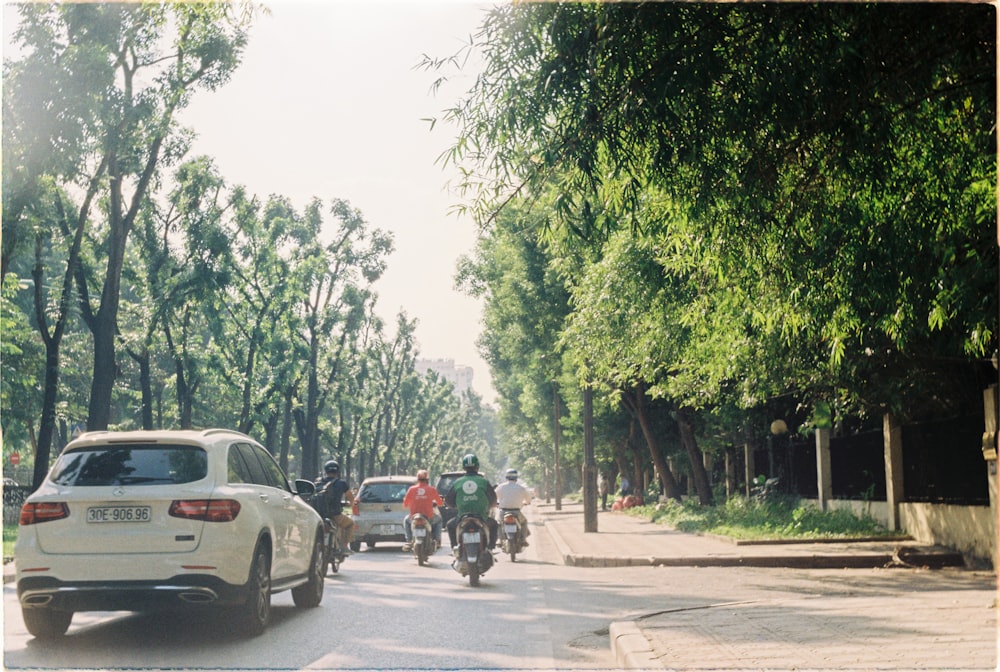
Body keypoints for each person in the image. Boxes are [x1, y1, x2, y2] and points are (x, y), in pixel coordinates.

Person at [445, 453, 498, 552]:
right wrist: (490, 506)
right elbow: (493, 500)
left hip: (462, 517)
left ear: (464, 467)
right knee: (494, 524)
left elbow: (448, 501)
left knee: (450, 525)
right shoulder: (484, 482)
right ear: (477, 467)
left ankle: (454, 548)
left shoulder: (458, 483)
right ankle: (490, 548)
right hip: (482, 517)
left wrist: (455, 506)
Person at [314, 460, 355, 552]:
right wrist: (353, 507)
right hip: (335, 515)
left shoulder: (318, 482)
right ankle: (344, 546)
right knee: (350, 524)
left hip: (319, 515)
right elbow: (351, 498)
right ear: (337, 471)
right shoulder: (342, 483)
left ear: (325, 471)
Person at [402, 469, 443, 551]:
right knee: (439, 520)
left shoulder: (411, 489)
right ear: (427, 480)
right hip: (428, 517)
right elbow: (440, 503)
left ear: (418, 479)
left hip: (414, 517)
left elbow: (405, 505)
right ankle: (437, 540)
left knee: (406, 520)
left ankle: (409, 540)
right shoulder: (431, 489)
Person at [495, 468, 532, 546]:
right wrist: (526, 503)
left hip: (503, 512)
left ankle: (500, 540)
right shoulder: (521, 488)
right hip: (516, 512)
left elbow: (495, 497)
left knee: (498, 523)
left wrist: (497, 503)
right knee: (524, 522)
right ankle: (523, 540)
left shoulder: (500, 487)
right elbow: (528, 499)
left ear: (506, 477)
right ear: (516, 477)